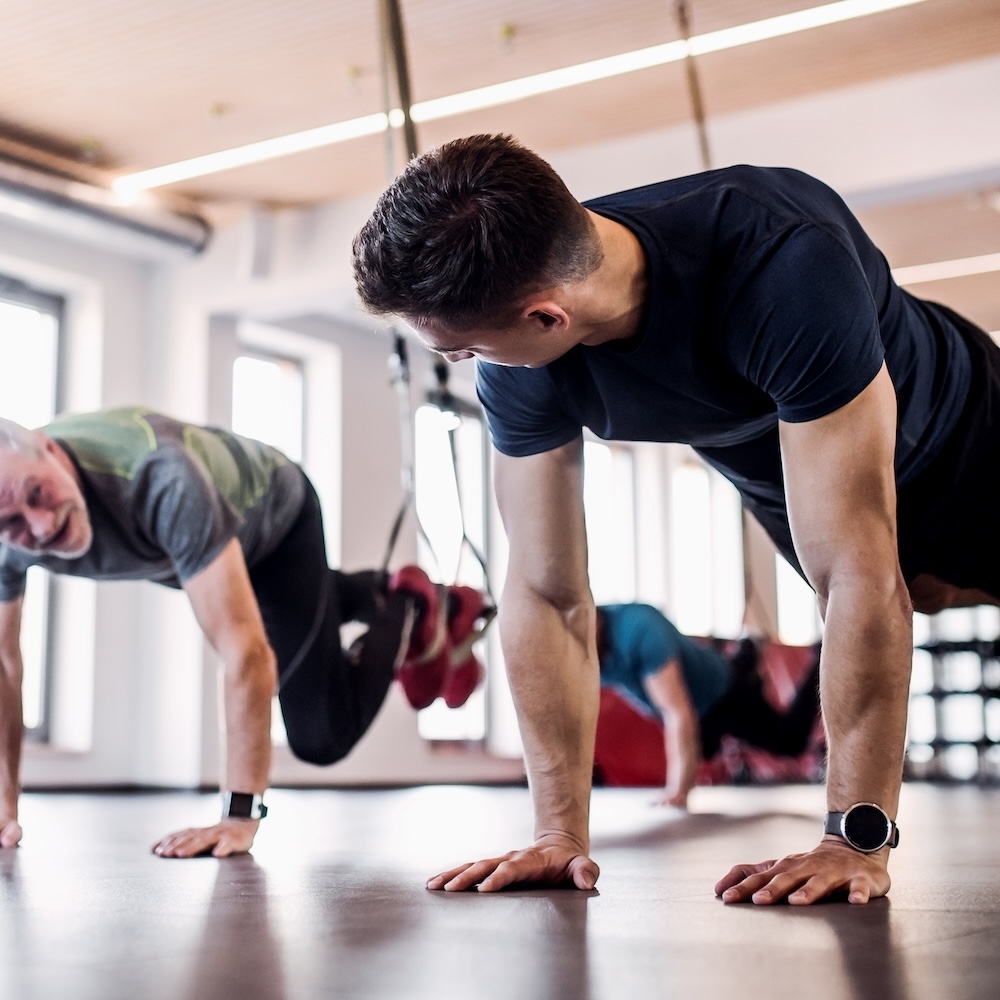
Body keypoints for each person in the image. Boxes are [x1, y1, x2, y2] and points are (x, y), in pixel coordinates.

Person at [352, 133, 1000, 905]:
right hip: (783, 467)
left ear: (547, 318)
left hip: (966, 437)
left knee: (891, 579)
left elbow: (856, 570)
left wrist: (850, 840)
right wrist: (559, 835)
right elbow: (546, 592)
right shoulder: (521, 366)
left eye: (459, 349)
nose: (464, 361)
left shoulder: (783, 264)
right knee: (919, 592)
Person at [0, 407, 490, 856]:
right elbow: (4, 664)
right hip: (210, 543)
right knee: (281, 608)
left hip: (278, 520)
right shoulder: (8, 528)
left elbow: (244, 651)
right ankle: (400, 595)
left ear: (49, 447)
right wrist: (5, 807)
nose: (40, 529)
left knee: (322, 736)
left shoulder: (161, 478)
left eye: (38, 495)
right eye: (12, 525)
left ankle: (408, 603)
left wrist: (238, 815)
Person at [595, 604, 820, 806]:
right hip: (700, 711)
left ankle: (821, 657)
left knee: (790, 741)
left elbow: (677, 712)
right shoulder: (580, 650)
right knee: (705, 749)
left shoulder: (639, 628)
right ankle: (745, 656)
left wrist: (678, 792)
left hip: (723, 696)